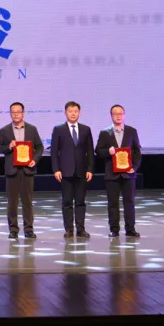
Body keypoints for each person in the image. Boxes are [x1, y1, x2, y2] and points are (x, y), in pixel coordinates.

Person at [0, 102, 45, 239]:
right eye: (13, 112)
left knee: (27, 202)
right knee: (12, 202)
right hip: (12, 170)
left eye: (18, 111)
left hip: (28, 169)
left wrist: (34, 159)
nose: (16, 114)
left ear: (23, 113)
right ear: (10, 114)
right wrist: (8, 147)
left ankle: (29, 229)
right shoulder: (4, 130)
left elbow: (40, 147)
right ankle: (13, 230)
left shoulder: (32, 129)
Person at [95, 104, 143, 238]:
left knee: (129, 202)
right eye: (115, 114)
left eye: (120, 113)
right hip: (112, 174)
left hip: (128, 174)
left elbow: (137, 152)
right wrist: (108, 152)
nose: (118, 116)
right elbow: (98, 151)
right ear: (111, 116)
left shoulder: (131, 131)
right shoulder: (105, 132)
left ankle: (130, 229)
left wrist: (134, 167)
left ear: (124, 115)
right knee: (113, 203)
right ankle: (114, 229)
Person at [50, 101, 94, 238]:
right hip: (65, 171)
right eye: (70, 111)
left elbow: (90, 151)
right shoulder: (58, 129)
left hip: (81, 171)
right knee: (67, 202)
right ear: (65, 113)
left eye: (75, 111)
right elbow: (54, 152)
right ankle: (68, 229)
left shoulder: (86, 129)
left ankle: (81, 229)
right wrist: (56, 169)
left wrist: (90, 169)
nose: (73, 114)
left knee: (80, 202)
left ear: (79, 113)